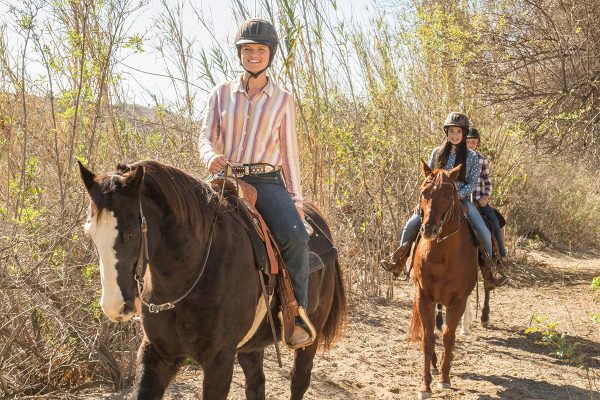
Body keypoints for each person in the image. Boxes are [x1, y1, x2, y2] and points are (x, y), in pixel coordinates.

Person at [198, 18, 312, 348]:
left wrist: (297, 204)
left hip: (266, 182)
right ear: (240, 54)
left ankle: (295, 312)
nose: (253, 55)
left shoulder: (283, 100)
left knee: (294, 237)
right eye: (247, 50)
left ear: (270, 54)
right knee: (185, 221)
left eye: (260, 50)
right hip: (225, 177)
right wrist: (209, 157)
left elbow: (290, 155)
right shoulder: (220, 94)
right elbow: (205, 136)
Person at [381, 112, 507, 288]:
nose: (455, 135)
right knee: (411, 224)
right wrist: (421, 203)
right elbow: (429, 179)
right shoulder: (437, 152)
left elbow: (472, 183)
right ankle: (399, 260)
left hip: (462, 200)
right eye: (452, 131)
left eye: (458, 132)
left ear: (463, 134)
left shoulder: (472, 157)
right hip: (435, 201)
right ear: (447, 132)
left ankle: (489, 271)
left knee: (483, 230)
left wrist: (456, 196)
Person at [466, 127, 508, 262]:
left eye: (474, 142)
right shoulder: (459, 157)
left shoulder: (481, 159)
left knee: (496, 221)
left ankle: (499, 256)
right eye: (469, 142)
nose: (471, 144)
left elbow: (487, 181)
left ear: (477, 143)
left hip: (479, 200)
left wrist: (486, 196)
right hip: (463, 198)